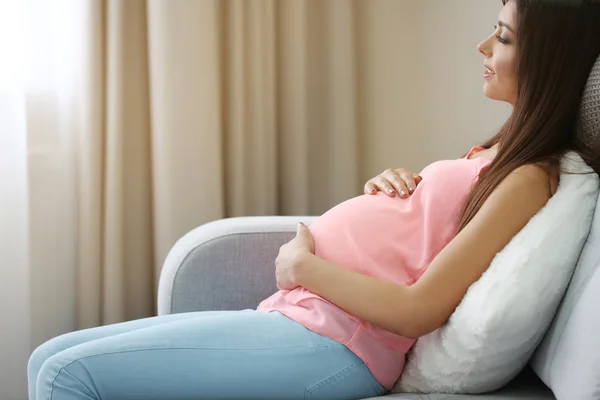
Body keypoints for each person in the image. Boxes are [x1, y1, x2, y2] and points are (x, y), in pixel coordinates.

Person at [28, 1, 600, 399]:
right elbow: (435, 234)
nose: (482, 45)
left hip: (337, 344)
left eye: (502, 36)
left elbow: (421, 308)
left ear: (548, 60)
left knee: (64, 377)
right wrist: (404, 193)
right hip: (309, 322)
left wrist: (302, 266)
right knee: (44, 358)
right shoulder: (499, 153)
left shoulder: (532, 177)